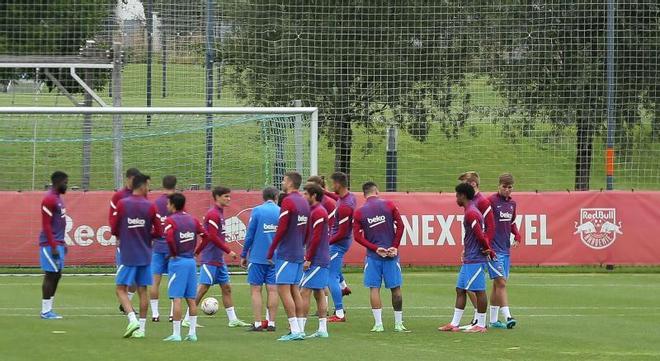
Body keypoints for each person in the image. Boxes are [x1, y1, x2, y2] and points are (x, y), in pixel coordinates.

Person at [184, 186, 250, 328]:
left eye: (229, 196)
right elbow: (212, 236)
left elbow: (209, 237)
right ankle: (187, 318)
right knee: (203, 288)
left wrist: (198, 251)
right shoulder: (213, 214)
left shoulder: (219, 213)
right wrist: (228, 251)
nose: (229, 199)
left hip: (218, 259)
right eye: (226, 196)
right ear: (217, 197)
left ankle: (233, 319)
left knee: (226, 288)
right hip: (210, 258)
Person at [439, 183, 495, 333]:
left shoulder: (471, 213)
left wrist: (487, 250)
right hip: (469, 257)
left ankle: (481, 325)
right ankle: (454, 323)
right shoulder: (469, 211)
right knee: (460, 289)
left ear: (463, 195)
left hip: (476, 258)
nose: (456, 198)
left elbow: (479, 234)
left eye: (457, 195)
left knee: (479, 290)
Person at [111, 173, 162, 338]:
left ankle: (131, 318)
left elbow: (113, 228)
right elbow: (159, 231)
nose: (149, 188)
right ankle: (142, 329)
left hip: (128, 253)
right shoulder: (150, 206)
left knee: (120, 289)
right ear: (141, 186)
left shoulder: (122, 204)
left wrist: (125, 234)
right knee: (142, 291)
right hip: (145, 254)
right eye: (148, 185)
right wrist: (147, 235)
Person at [353, 182, 408, 333]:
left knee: (374, 288)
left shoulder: (359, 212)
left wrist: (375, 248)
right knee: (396, 288)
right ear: (376, 191)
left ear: (364, 194)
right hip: (391, 255)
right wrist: (394, 247)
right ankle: (398, 324)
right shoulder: (389, 205)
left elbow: (357, 237)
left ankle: (378, 324)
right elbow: (401, 226)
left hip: (373, 256)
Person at [266, 171, 310, 341]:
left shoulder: (289, 201)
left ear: (290, 182)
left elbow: (281, 228)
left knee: (283, 290)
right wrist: (303, 245)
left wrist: (271, 250)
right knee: (295, 290)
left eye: (284, 180)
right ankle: (300, 328)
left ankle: (295, 330)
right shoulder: (304, 202)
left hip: (287, 253)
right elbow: (308, 230)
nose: (282, 182)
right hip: (299, 251)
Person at [163, 193, 206, 342]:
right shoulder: (192, 219)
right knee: (191, 299)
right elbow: (206, 236)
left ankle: (176, 334)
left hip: (178, 262)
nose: (167, 206)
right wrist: (197, 252)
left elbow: (168, 237)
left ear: (173, 205)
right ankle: (192, 333)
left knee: (176, 298)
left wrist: (173, 253)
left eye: (168, 204)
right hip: (191, 262)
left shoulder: (170, 220)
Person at [308, 175, 351, 312]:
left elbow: (330, 222)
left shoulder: (325, 203)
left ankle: (335, 310)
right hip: (331, 239)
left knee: (327, 273)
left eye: (308, 189)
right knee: (331, 267)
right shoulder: (329, 200)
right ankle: (343, 286)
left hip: (330, 239)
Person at [458, 171, 495, 328]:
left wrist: (487, 246)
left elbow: (490, 226)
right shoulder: (471, 203)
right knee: (465, 287)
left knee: (482, 286)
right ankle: (477, 319)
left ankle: (483, 321)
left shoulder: (481, 202)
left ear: (472, 184)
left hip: (482, 249)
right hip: (474, 248)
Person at [240, 186, 280, 332]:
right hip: (276, 257)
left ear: (263, 197)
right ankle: (271, 323)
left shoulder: (257, 211)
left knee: (256, 290)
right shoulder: (281, 211)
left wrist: (244, 254)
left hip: (257, 256)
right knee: (273, 290)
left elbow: (250, 234)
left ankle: (257, 323)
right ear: (276, 197)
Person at [487, 173, 520, 329]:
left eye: (510, 187)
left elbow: (512, 223)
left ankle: (493, 321)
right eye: (504, 187)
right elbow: (484, 222)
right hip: (493, 249)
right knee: (501, 282)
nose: (507, 190)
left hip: (505, 249)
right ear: (498, 186)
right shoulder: (491, 202)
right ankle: (508, 316)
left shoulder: (512, 204)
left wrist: (517, 235)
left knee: (496, 285)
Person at [299, 182, 331, 339]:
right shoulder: (313, 211)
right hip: (320, 258)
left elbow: (317, 237)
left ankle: (300, 329)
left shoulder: (318, 212)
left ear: (314, 195)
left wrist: (309, 259)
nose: (303, 196)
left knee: (304, 291)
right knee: (319, 292)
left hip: (317, 259)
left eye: (306, 194)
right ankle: (322, 329)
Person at [326, 172, 356, 322]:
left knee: (330, 276)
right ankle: (343, 287)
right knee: (333, 269)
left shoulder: (345, 206)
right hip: (340, 242)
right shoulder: (348, 198)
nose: (332, 187)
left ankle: (339, 313)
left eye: (333, 184)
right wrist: (323, 191)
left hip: (338, 244)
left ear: (338, 184)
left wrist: (327, 242)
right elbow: (337, 197)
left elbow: (343, 232)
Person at [110, 167, 141, 313]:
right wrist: (117, 236)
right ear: (127, 179)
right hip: (124, 242)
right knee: (124, 279)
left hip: (138, 243)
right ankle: (129, 310)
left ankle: (125, 303)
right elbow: (112, 218)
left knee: (136, 279)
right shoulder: (118, 196)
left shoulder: (141, 195)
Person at [39, 171, 69, 320]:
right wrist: (53, 245)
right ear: (58, 182)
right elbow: (46, 225)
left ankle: (49, 309)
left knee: (57, 274)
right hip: (49, 244)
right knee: (50, 275)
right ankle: (45, 311)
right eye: (65, 182)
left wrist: (63, 243)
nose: (67, 185)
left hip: (58, 243)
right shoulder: (49, 199)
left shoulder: (58, 199)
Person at [150, 175, 177, 322]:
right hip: (172, 247)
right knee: (174, 279)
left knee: (155, 280)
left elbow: (152, 223)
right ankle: (173, 313)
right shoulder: (178, 201)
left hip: (159, 245)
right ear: (175, 185)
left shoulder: (156, 202)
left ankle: (155, 314)